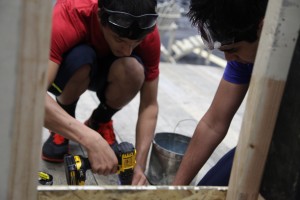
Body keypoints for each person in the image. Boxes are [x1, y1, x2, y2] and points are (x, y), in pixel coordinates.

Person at [42, 0, 160, 185]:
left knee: (134, 69)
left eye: (136, 42)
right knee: (81, 59)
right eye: (119, 40)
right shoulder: (68, 14)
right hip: (74, 69)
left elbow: (149, 105)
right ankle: (64, 119)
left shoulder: (148, 32)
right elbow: (31, 98)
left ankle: (100, 120)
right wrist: (90, 139)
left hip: (112, 72)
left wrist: (139, 166)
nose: (127, 50)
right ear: (99, 16)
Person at [172, 0, 269, 186]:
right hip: (267, 140)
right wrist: (176, 189)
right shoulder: (245, 56)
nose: (228, 58)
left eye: (233, 50)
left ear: (264, 27)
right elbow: (214, 123)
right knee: (207, 189)